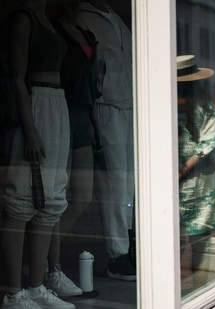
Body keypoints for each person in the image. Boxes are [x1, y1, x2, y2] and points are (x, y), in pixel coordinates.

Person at [0, 1, 75, 308]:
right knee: (21, 198)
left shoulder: (50, 19)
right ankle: (14, 293)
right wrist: (30, 129)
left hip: (57, 105)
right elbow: (17, 77)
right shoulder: (23, 17)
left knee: (53, 196)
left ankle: (35, 287)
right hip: (37, 104)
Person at [43, 4, 102, 297]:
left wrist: (95, 123)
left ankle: (42, 261)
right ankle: (49, 266)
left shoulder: (86, 33)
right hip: (61, 109)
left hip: (83, 114)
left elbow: (93, 82)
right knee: (58, 197)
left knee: (82, 195)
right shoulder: (53, 29)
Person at [76, 0, 135, 281]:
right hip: (107, 104)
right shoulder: (82, 17)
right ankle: (117, 253)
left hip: (132, 104)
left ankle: (131, 242)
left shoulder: (118, 18)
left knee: (133, 181)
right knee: (115, 182)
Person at [177, 55, 215, 290]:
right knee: (199, 243)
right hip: (200, 182)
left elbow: (207, 142)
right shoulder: (206, 106)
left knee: (175, 243)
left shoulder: (166, 105)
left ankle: (178, 293)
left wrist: (179, 171)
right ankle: (197, 291)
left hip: (178, 181)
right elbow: (208, 142)